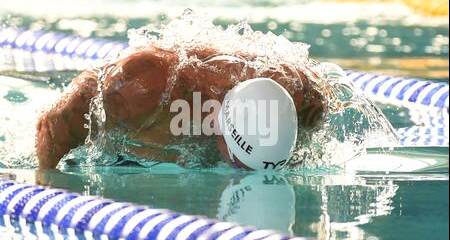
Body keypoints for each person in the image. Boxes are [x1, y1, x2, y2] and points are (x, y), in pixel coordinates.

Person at [36, 44, 328, 170]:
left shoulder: (302, 99)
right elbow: (54, 123)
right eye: (238, 163)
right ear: (221, 123)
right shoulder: (145, 90)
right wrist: (46, 180)